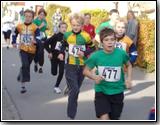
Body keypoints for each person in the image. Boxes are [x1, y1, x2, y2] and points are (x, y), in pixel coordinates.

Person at [83, 27, 132, 120]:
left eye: (112, 39)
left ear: (116, 41)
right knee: (104, 117)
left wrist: (129, 79)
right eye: (106, 40)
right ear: (102, 43)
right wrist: (94, 77)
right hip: (101, 91)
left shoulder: (121, 54)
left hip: (117, 91)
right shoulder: (96, 56)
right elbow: (85, 71)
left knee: (114, 118)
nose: (110, 42)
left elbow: (129, 65)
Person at [57, 13, 95, 119]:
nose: (75, 27)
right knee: (75, 90)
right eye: (73, 25)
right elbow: (63, 45)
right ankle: (71, 115)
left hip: (82, 66)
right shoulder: (67, 35)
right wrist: (61, 53)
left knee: (75, 89)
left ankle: (69, 87)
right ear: (71, 25)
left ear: (82, 25)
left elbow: (92, 48)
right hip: (70, 65)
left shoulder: (86, 36)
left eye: (78, 25)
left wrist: (85, 53)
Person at [12, 9, 40, 94]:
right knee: (25, 64)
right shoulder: (19, 26)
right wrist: (13, 42)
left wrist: (36, 41)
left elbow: (39, 37)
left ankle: (20, 76)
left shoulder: (35, 27)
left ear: (32, 18)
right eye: (26, 16)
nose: (27, 18)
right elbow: (14, 34)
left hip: (32, 50)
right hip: (23, 49)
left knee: (26, 66)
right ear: (24, 16)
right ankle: (23, 85)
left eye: (30, 17)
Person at [45, 22, 68, 94]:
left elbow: (68, 46)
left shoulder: (67, 37)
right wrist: (49, 52)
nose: (64, 29)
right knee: (54, 73)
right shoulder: (55, 36)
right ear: (59, 28)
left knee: (61, 71)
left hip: (61, 56)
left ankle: (56, 86)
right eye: (62, 27)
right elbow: (45, 43)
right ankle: (53, 67)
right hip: (54, 56)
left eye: (65, 27)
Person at [33, 8, 48, 73]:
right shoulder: (35, 21)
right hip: (36, 37)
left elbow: (44, 29)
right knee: (36, 52)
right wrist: (40, 26)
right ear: (38, 14)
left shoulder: (44, 20)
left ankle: (41, 67)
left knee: (41, 52)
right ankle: (36, 63)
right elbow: (34, 30)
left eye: (43, 15)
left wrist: (46, 28)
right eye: (41, 14)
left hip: (43, 37)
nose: (42, 16)